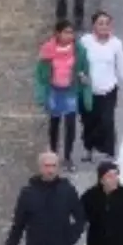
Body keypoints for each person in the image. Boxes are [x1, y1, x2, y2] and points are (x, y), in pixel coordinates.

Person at [35, 19, 93, 172]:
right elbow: (40, 75)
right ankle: (54, 154)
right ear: (58, 33)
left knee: (70, 125)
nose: (70, 36)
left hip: (70, 92)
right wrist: (41, 94)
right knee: (54, 124)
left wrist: (84, 82)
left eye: (71, 32)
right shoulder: (48, 50)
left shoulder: (79, 51)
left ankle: (67, 157)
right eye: (66, 32)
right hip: (54, 91)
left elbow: (85, 70)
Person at [81, 10, 123, 160]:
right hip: (89, 90)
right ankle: (88, 149)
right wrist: (80, 76)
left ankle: (108, 151)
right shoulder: (86, 41)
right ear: (94, 26)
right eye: (100, 23)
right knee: (89, 120)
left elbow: (122, 66)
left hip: (108, 89)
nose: (104, 27)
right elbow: (78, 61)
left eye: (107, 24)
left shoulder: (116, 44)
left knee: (107, 120)